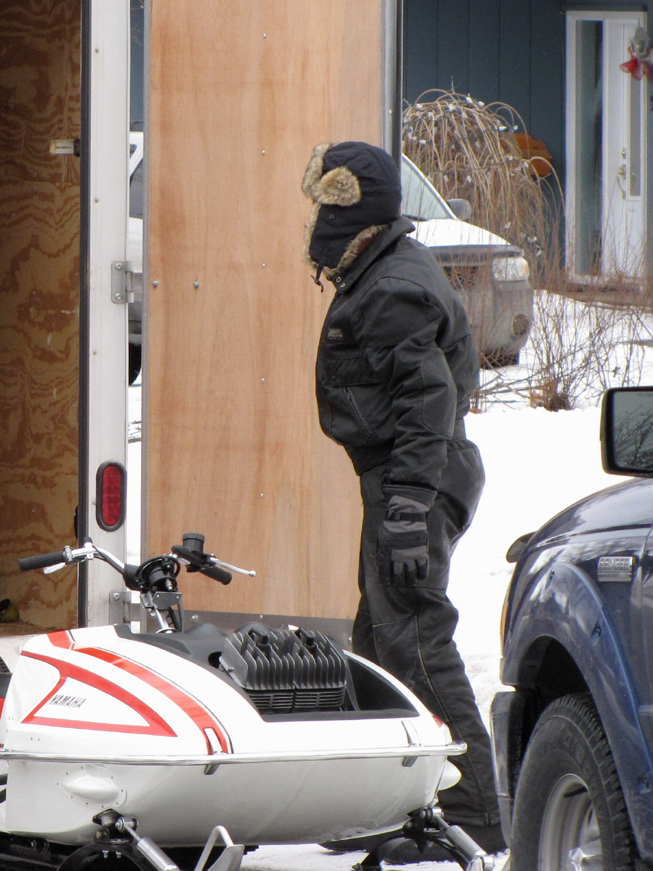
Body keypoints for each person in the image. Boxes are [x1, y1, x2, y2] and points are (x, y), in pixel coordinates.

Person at [300, 141, 505, 857]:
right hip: (407, 476)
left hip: (416, 478)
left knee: (415, 642)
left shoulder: (391, 288)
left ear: (352, 214)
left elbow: (428, 398)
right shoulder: (384, 267)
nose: (314, 224)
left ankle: (474, 817)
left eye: (325, 208)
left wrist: (410, 508)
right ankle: (397, 808)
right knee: (379, 643)